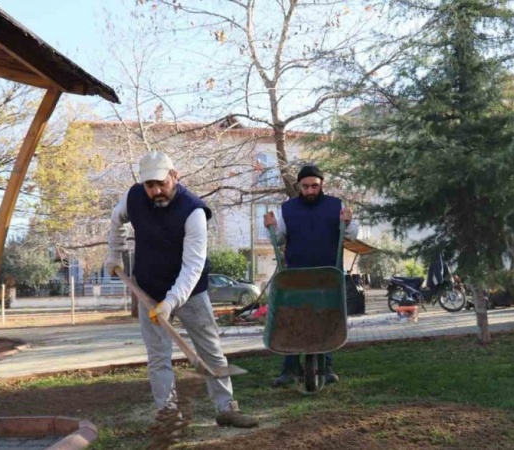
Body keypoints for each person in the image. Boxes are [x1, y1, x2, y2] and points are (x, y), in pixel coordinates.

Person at [104, 151, 258, 430]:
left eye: (161, 183)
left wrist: (171, 301)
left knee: (210, 352)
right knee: (158, 356)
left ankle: (226, 408)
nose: (156, 191)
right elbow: (116, 220)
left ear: (175, 176)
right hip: (148, 289)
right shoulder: (134, 197)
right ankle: (168, 414)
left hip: (191, 293)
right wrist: (114, 255)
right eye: (150, 186)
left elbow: (193, 267)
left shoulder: (193, 211)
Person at [263, 165, 359, 388]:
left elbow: (352, 236)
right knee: (293, 319)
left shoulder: (336, 206)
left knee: (326, 318)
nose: (310, 191)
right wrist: (271, 227)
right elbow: (278, 240)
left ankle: (326, 367)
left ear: (321, 185)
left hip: (328, 275)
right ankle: (289, 368)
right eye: (305, 187)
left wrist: (349, 220)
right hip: (296, 276)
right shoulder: (287, 209)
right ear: (299, 186)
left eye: (314, 186)